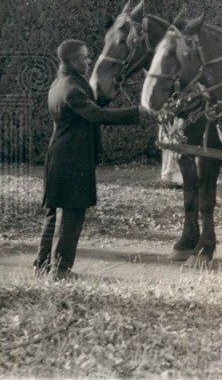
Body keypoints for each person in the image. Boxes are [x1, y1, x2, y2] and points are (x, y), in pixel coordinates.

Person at [35, 39, 142, 279]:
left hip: (60, 157)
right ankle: (60, 271)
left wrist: (110, 94)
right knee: (71, 214)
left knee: (54, 213)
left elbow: (88, 106)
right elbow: (96, 115)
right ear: (73, 61)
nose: (89, 61)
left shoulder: (61, 83)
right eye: (85, 57)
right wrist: (138, 112)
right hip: (71, 160)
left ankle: (43, 264)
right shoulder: (71, 87)